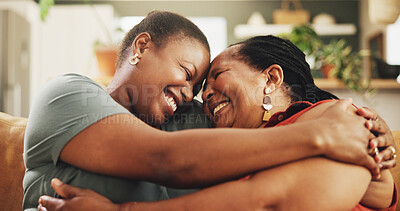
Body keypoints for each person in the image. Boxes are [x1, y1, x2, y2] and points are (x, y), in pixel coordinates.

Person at [25, 10, 394, 210]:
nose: (193, 94)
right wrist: (325, 133)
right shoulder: (69, 93)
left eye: (199, 85)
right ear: (141, 47)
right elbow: (166, 159)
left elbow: (371, 185)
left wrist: (368, 130)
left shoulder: (201, 122)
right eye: (190, 75)